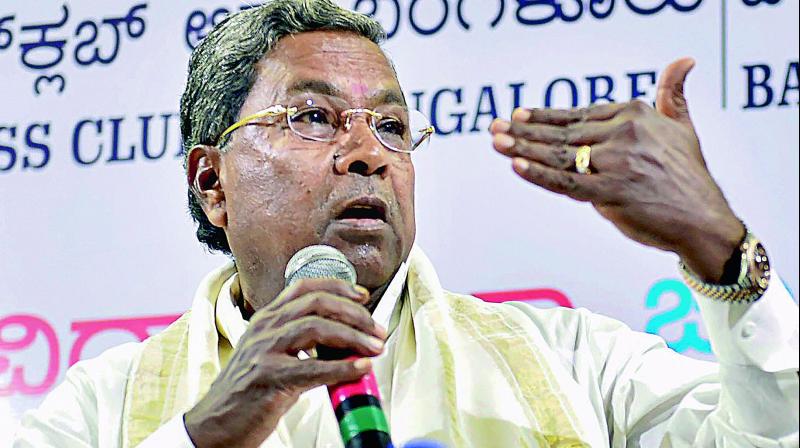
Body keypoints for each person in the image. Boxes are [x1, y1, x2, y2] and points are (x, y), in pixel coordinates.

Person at [15, 1, 798, 447]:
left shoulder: (575, 364)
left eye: (391, 126)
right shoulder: (100, 409)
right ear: (211, 183)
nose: (368, 153)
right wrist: (206, 434)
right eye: (315, 116)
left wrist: (721, 249)